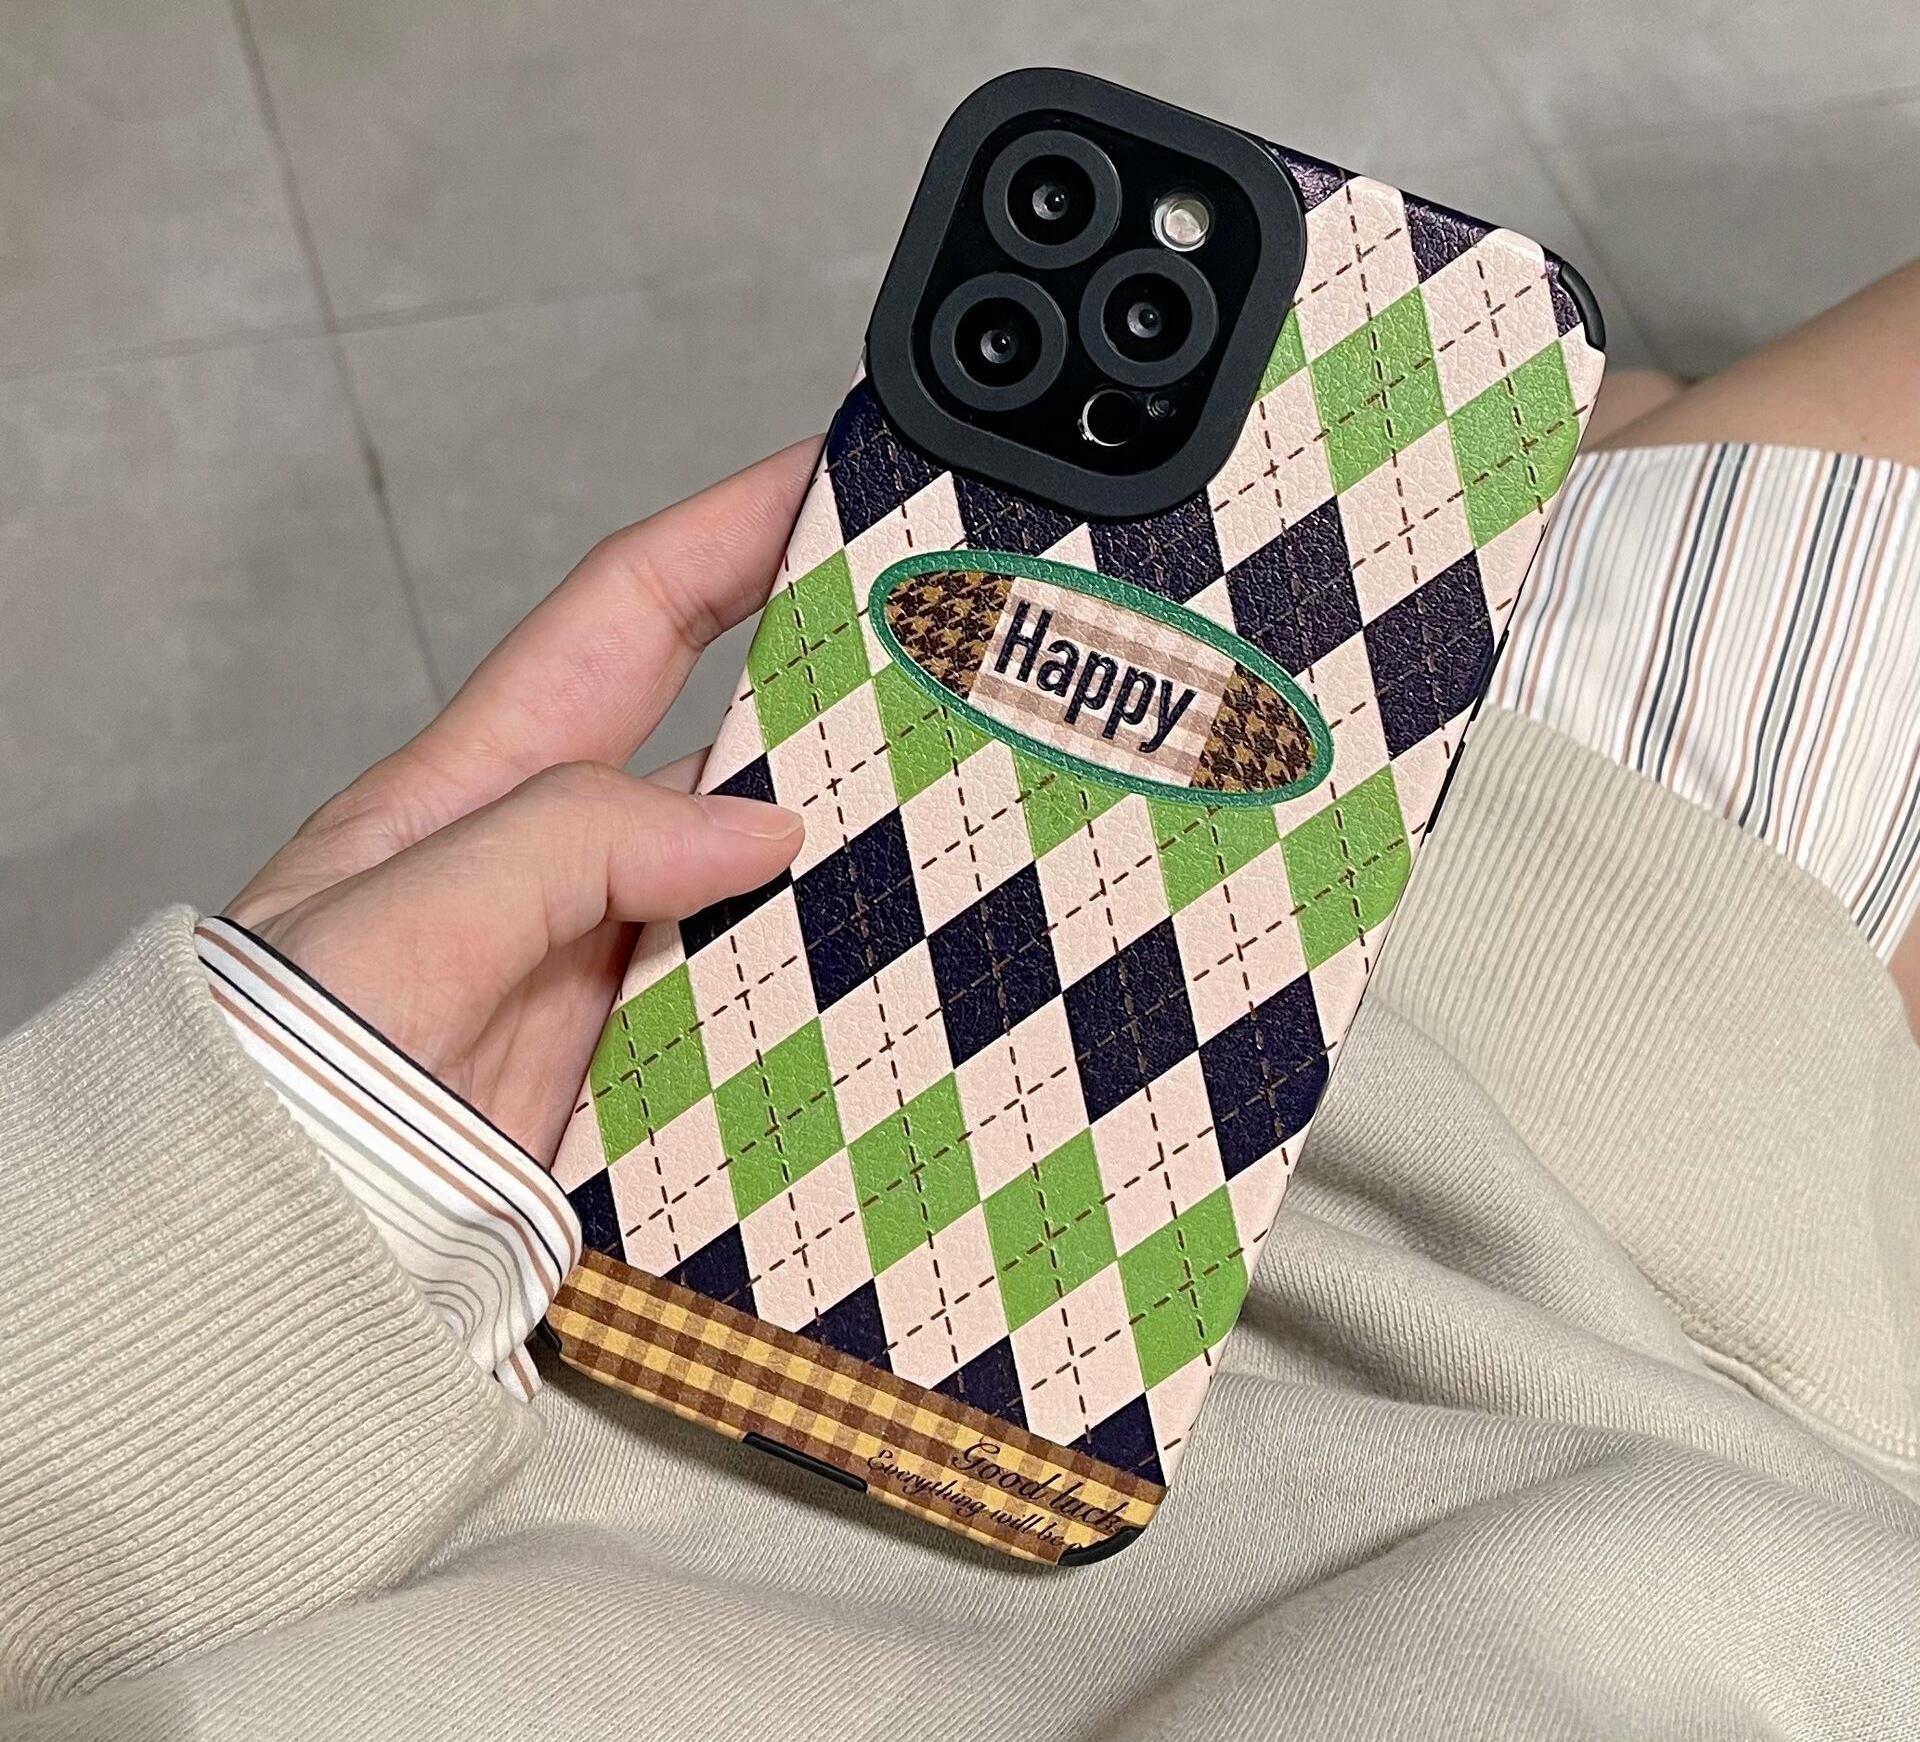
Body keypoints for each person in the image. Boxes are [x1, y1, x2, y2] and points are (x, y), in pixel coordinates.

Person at [2, 262, 1917, 1741]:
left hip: (1492, 1104)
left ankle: (1624, 427)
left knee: (1608, 443)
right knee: (1612, 435)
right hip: (1626, 1163)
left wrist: (237, 1197)